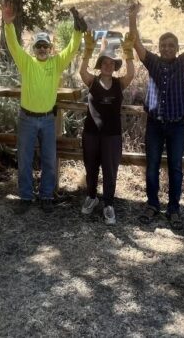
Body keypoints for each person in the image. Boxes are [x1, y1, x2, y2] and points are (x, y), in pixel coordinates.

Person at [129, 0, 184, 230]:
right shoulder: (151, 62)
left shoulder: (183, 63)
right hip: (154, 124)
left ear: (177, 48)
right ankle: (152, 204)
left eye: (171, 45)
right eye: (163, 45)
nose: (167, 48)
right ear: (159, 48)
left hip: (176, 125)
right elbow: (136, 43)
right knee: (152, 166)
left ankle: (174, 208)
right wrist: (132, 17)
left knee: (175, 168)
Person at [2, 3, 86, 213]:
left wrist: (77, 31)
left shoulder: (56, 62)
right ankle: (26, 197)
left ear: (50, 48)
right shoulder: (26, 63)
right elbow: (13, 45)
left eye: (44, 46)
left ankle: (47, 195)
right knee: (25, 158)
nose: (41, 49)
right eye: (38, 46)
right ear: (34, 49)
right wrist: (8, 25)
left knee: (49, 158)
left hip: (48, 119)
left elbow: (72, 48)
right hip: (27, 118)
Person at [77, 29, 136, 225]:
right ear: (100, 65)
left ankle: (108, 204)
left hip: (112, 135)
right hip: (91, 133)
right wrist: (88, 50)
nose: (108, 66)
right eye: (105, 62)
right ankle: (92, 196)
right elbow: (81, 70)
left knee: (110, 171)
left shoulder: (120, 84)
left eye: (112, 63)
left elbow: (132, 73)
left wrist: (128, 53)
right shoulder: (92, 81)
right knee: (91, 167)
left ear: (114, 66)